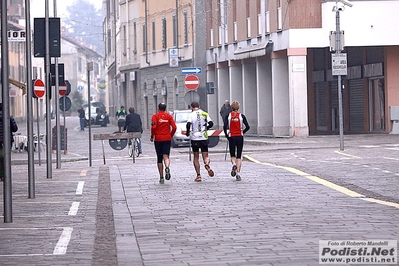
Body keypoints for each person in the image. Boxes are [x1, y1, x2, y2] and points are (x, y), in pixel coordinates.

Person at [185, 101, 214, 182]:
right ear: (199, 106)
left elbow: (188, 124)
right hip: (204, 137)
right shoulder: (205, 113)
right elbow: (211, 123)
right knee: (205, 155)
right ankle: (207, 164)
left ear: (192, 108)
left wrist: (187, 132)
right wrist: (206, 128)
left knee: (196, 157)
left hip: (195, 138)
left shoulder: (191, 115)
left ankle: (198, 175)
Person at [223, 101, 250, 181]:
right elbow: (248, 127)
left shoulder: (228, 116)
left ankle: (234, 164)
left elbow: (225, 127)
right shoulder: (242, 116)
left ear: (231, 108)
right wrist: (242, 132)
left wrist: (227, 135)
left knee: (232, 155)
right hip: (240, 137)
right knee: (239, 156)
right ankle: (238, 174)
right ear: (238, 108)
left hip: (232, 137)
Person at [150, 103, 177, 184]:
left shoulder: (155, 116)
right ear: (165, 108)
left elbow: (153, 127)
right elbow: (174, 127)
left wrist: (152, 136)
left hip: (158, 139)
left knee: (159, 158)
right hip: (167, 138)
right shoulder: (169, 116)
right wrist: (170, 135)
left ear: (158, 108)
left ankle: (161, 177)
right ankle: (167, 167)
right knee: (166, 155)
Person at [0, 108, 18, 182]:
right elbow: (15, 129)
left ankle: (1, 174)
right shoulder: (9, 117)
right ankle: (5, 175)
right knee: (6, 158)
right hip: (7, 140)